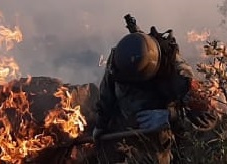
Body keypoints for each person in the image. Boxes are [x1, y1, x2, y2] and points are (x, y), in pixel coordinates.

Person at [91, 15, 217, 164]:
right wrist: (99, 126)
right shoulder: (118, 60)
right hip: (122, 133)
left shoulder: (178, 71)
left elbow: (207, 117)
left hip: (158, 138)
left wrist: (169, 116)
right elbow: (106, 97)